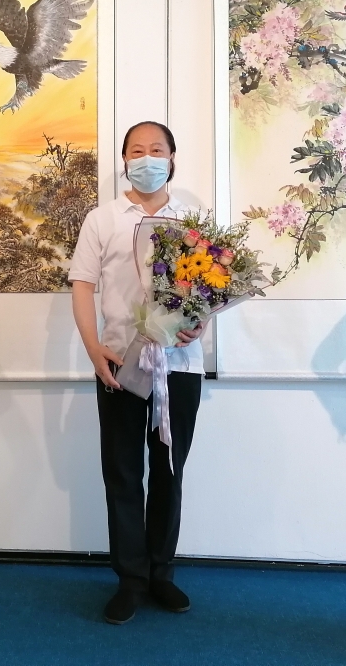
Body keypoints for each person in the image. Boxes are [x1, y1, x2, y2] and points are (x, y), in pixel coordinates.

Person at [69, 120, 206, 625]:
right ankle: (130, 579)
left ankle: (161, 574)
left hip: (180, 365)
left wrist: (202, 322)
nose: (147, 158)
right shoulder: (102, 219)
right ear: (124, 160)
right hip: (118, 362)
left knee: (169, 471)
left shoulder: (193, 217)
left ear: (172, 158)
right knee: (123, 472)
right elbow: (82, 285)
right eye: (136, 151)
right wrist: (93, 349)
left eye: (157, 150)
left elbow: (210, 283)